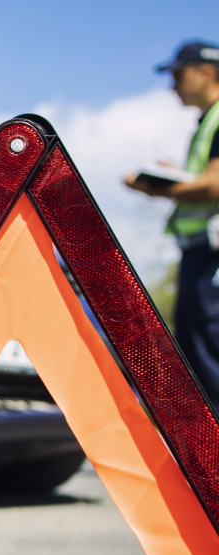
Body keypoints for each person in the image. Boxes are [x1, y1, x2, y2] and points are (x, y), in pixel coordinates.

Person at [125, 41, 219, 404]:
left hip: (210, 257)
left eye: (178, 75)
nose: (173, 86)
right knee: (198, 352)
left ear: (206, 72)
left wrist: (158, 187)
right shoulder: (208, 121)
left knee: (208, 353)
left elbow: (213, 184)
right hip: (201, 254)